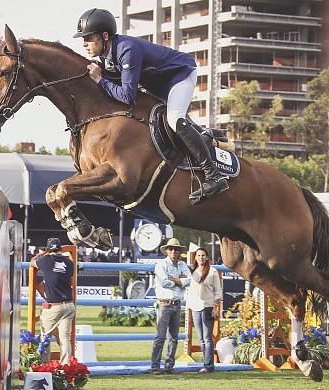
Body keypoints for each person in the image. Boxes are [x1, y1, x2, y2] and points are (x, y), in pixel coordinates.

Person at [74, 8, 228, 204]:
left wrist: (100, 81)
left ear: (105, 36)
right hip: (160, 83)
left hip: (180, 76)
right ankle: (207, 136)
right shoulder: (107, 55)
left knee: (175, 120)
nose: (84, 43)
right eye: (83, 38)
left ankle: (213, 175)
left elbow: (127, 96)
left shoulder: (126, 50)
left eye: (89, 37)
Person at [31, 238, 76, 364]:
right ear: (60, 249)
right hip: (69, 305)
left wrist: (40, 254)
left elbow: (32, 262)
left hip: (53, 306)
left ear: (48, 250)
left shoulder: (45, 260)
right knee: (65, 339)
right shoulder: (69, 263)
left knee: (45, 337)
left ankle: (44, 366)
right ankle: (66, 368)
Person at [151, 238, 191, 375]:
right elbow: (163, 281)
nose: (173, 251)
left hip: (176, 304)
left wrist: (173, 279)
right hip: (165, 303)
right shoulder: (161, 264)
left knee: (173, 338)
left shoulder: (182, 265)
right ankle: (155, 366)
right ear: (167, 251)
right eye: (171, 249)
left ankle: (169, 366)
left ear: (179, 251)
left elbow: (189, 280)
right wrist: (180, 280)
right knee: (161, 337)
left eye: (176, 249)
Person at [185, 248, 222, 374]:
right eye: (198, 255)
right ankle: (206, 364)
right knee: (201, 338)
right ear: (195, 257)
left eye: (203, 255)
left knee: (207, 338)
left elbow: (217, 292)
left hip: (207, 306)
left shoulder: (213, 272)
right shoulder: (192, 272)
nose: (201, 257)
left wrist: (215, 308)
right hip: (195, 307)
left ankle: (208, 366)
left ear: (207, 257)